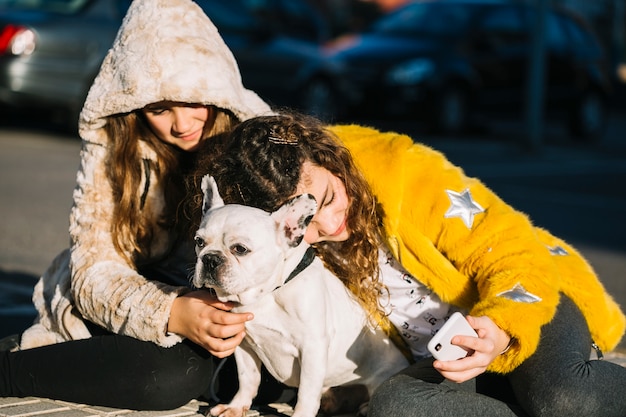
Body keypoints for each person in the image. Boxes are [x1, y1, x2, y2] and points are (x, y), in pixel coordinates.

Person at [186, 112, 626, 417]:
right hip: (442, 356)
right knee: (395, 408)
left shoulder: (404, 172)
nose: (328, 222)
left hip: (525, 299)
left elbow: (512, 249)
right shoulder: (278, 241)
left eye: (327, 199)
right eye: (308, 226)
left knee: (561, 397)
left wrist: (502, 327)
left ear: (328, 157)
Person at [0, 0, 284, 410]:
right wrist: (172, 311)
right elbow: (92, 270)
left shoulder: (256, 145)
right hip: (135, 289)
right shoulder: (115, 147)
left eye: (192, 101)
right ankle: (12, 370)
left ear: (217, 87)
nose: (182, 124)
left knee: (272, 374)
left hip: (241, 303)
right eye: (159, 108)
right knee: (167, 379)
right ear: (134, 105)